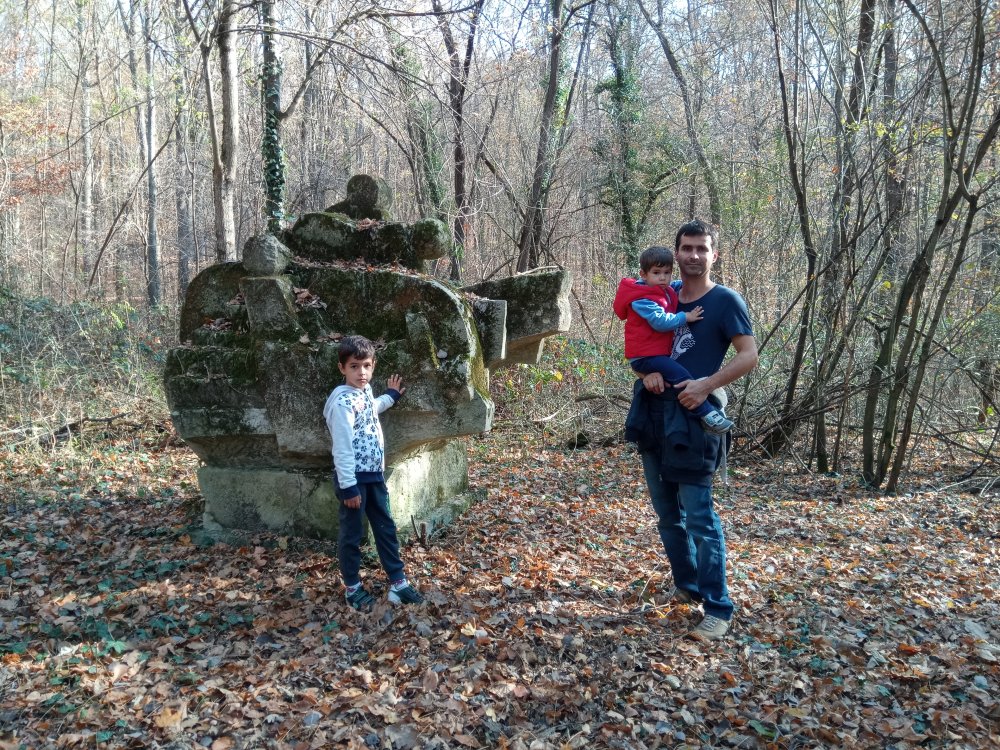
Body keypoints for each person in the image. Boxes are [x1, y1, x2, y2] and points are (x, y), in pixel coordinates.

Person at [625, 219, 758, 641]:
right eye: (687, 248)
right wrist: (645, 373)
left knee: (699, 516)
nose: (694, 255)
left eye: (702, 248)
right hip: (654, 414)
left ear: (714, 254)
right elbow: (639, 342)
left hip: (696, 419)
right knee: (668, 516)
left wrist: (706, 384)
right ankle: (687, 585)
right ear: (676, 252)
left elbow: (749, 355)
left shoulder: (725, 301)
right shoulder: (662, 292)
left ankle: (718, 607)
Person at [324, 334, 424, 610]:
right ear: (342, 368)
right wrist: (348, 487)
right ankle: (353, 589)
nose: (362, 372)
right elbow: (342, 447)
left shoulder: (365, 392)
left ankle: (398, 584)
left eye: (367, 366)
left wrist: (390, 396)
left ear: (373, 365)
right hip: (353, 480)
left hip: (374, 476)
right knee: (352, 534)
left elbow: (371, 408)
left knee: (386, 528)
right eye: (354, 366)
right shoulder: (341, 403)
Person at [613, 246, 734, 434]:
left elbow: (680, 287)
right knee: (681, 376)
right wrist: (685, 317)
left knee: (672, 382)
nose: (663, 278)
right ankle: (708, 414)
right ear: (643, 274)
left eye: (667, 273)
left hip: (652, 355)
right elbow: (660, 322)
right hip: (645, 356)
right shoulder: (641, 299)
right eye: (656, 273)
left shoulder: (664, 290)